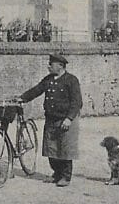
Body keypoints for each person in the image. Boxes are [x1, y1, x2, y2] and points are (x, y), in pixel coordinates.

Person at [19, 53, 82, 187]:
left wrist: (69, 119)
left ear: (60, 66)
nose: (49, 66)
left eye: (51, 64)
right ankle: (56, 174)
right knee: (51, 148)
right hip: (51, 118)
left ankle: (65, 176)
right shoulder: (48, 79)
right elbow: (37, 90)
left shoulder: (71, 80)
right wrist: (22, 98)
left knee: (65, 148)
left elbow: (77, 102)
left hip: (65, 119)